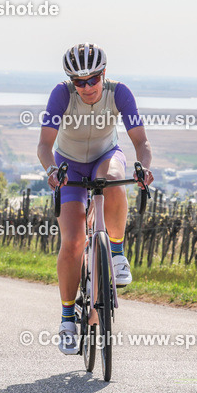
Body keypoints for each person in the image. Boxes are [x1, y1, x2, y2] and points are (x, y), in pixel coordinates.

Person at [37, 42, 154, 355]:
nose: (87, 87)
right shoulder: (61, 95)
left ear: (104, 74)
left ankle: (115, 253)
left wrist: (143, 166)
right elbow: (44, 147)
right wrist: (51, 171)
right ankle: (66, 320)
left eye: (93, 80)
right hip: (69, 164)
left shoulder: (119, 93)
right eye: (79, 81)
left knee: (114, 178)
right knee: (73, 242)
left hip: (105, 155)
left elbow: (141, 142)